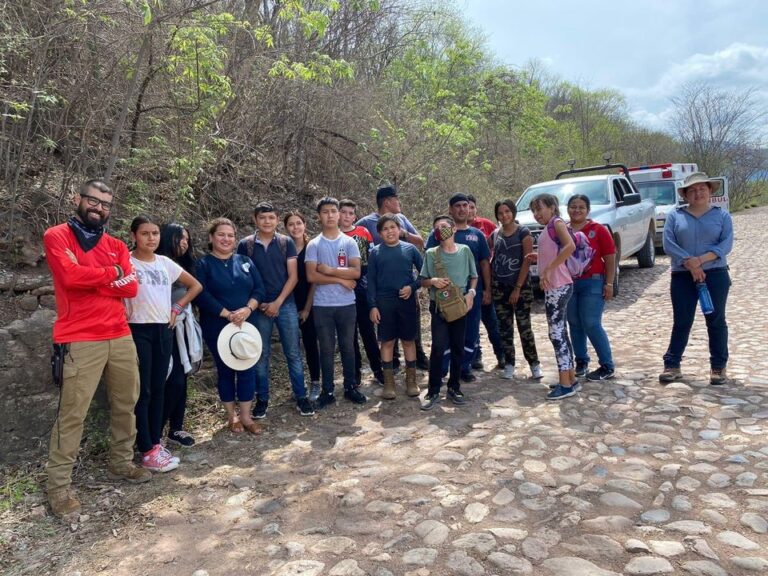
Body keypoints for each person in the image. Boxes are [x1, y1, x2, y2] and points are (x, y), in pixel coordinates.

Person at [44, 179, 150, 518]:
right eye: (93, 200)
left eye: (105, 204)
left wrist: (100, 276)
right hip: (79, 338)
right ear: (78, 199)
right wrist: (111, 276)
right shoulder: (57, 236)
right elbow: (69, 277)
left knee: (125, 403)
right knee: (73, 413)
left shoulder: (117, 244)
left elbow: (131, 287)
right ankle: (58, 487)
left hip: (119, 335)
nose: (99, 207)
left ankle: (120, 461)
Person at [126, 216, 202, 472]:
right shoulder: (126, 261)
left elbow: (195, 285)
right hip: (137, 330)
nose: (151, 238)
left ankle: (155, 444)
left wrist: (177, 307)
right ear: (134, 235)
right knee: (143, 390)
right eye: (145, 233)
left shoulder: (164, 263)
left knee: (159, 387)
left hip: (163, 329)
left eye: (155, 233)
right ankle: (145, 447)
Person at [237, 203, 314, 418]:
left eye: (271, 217)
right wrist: (258, 302)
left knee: (293, 352)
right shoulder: (246, 245)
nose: (267, 221)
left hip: (286, 304)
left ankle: (301, 396)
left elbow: (293, 276)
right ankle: (262, 399)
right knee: (261, 354)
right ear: (255, 220)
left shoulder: (285, 242)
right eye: (262, 218)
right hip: (259, 306)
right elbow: (245, 276)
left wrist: (278, 302)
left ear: (277, 219)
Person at [659, 172, 733, 385]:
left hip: (715, 273)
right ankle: (672, 364)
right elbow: (669, 244)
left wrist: (700, 260)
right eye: (692, 190)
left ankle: (718, 366)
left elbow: (725, 244)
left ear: (710, 191)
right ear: (685, 194)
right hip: (682, 274)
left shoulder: (722, 216)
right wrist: (689, 263)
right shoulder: (676, 215)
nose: (697, 193)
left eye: (702, 189)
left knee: (716, 319)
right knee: (682, 320)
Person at [196, 218, 266, 433]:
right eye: (221, 234)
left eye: (230, 235)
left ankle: (246, 417)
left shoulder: (245, 260)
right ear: (211, 237)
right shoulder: (203, 264)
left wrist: (247, 309)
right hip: (217, 325)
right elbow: (201, 294)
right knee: (225, 370)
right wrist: (226, 314)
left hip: (247, 324)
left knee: (247, 368)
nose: (226, 239)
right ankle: (231, 417)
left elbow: (259, 289)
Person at [305, 197, 367, 408]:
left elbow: (356, 272)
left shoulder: (349, 242)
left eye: (333, 211)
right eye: (325, 212)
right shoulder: (313, 244)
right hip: (322, 305)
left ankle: (350, 387)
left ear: (339, 214)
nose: (330, 215)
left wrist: (330, 270)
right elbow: (312, 276)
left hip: (346, 304)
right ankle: (327, 390)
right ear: (319, 216)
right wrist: (341, 278)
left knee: (348, 346)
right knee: (327, 349)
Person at [425, 194, 492, 382]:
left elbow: (484, 264)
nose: (462, 209)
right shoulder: (436, 234)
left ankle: (464, 367)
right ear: (450, 209)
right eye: (458, 206)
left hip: (471, 293)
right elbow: (429, 261)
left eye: (466, 205)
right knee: (444, 335)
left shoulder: (477, 235)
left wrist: (487, 289)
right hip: (443, 296)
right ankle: (443, 368)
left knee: (470, 332)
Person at [419, 215, 477, 411]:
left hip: (459, 305)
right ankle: (433, 390)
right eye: (437, 228)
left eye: (444, 226)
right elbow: (423, 280)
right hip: (439, 307)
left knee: (458, 347)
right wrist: (433, 281)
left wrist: (471, 293)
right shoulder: (431, 253)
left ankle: (454, 387)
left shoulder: (465, 250)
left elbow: (474, 276)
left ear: (454, 229)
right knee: (438, 347)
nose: (440, 230)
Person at [368, 214, 424, 399]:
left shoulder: (410, 249)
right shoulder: (375, 253)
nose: (389, 231)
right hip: (384, 303)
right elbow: (371, 282)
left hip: (406, 301)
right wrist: (372, 306)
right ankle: (389, 383)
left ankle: (411, 381)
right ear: (379, 233)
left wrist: (412, 287)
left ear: (400, 229)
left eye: (393, 227)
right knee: (387, 342)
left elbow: (425, 274)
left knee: (409, 340)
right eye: (385, 229)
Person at [527, 193, 577, 400]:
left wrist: (548, 269)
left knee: (556, 334)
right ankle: (570, 378)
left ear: (552, 207)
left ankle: (566, 384)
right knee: (561, 333)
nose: (537, 214)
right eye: (534, 210)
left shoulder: (556, 223)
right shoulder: (548, 228)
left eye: (540, 209)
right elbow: (556, 251)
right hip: (554, 286)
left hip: (558, 285)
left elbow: (570, 246)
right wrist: (539, 259)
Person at [157, 223, 201, 447]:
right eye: (180, 238)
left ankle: (176, 428)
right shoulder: (157, 263)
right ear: (168, 237)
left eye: (187, 239)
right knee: (170, 379)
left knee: (181, 378)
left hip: (182, 327)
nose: (184, 242)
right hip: (162, 329)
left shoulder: (184, 264)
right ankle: (156, 431)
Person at [489, 199, 542, 380]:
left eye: (507, 211)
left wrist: (518, 288)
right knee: (504, 328)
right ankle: (509, 363)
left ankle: (534, 364)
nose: (504, 215)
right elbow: (491, 258)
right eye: (500, 213)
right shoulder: (496, 234)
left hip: (520, 287)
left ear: (513, 212)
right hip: (499, 287)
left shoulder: (523, 232)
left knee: (524, 326)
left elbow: (527, 260)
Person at [565, 195, 617, 381]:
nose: (576, 210)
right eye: (573, 207)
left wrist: (609, 283)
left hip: (593, 282)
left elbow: (610, 257)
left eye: (581, 207)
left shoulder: (598, 230)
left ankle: (607, 365)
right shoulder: (563, 230)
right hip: (569, 283)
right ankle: (581, 361)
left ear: (588, 210)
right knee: (574, 322)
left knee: (591, 323)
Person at [339, 199, 384, 385]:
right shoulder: (334, 235)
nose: (347, 216)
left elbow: (372, 257)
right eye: (344, 212)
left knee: (368, 331)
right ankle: (354, 372)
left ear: (355, 216)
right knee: (349, 334)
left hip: (363, 284)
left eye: (351, 213)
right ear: (338, 214)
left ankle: (378, 369)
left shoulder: (363, 232)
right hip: (342, 285)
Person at [284, 210, 321, 400]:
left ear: (304, 225)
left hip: (311, 302)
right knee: (292, 347)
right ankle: (298, 386)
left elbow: (314, 281)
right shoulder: (283, 248)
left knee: (310, 342)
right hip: (288, 302)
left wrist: (307, 308)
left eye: (298, 223)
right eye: (291, 224)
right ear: (285, 228)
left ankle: (316, 382)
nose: (295, 227)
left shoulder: (312, 247)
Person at [466, 193, 504, 371]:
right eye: (465, 207)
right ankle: (476, 356)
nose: (468, 210)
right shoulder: (453, 230)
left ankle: (501, 355)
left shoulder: (486, 225)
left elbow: (495, 248)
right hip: (466, 286)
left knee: (491, 321)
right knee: (471, 323)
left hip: (485, 281)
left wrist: (489, 287)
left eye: (472, 206)